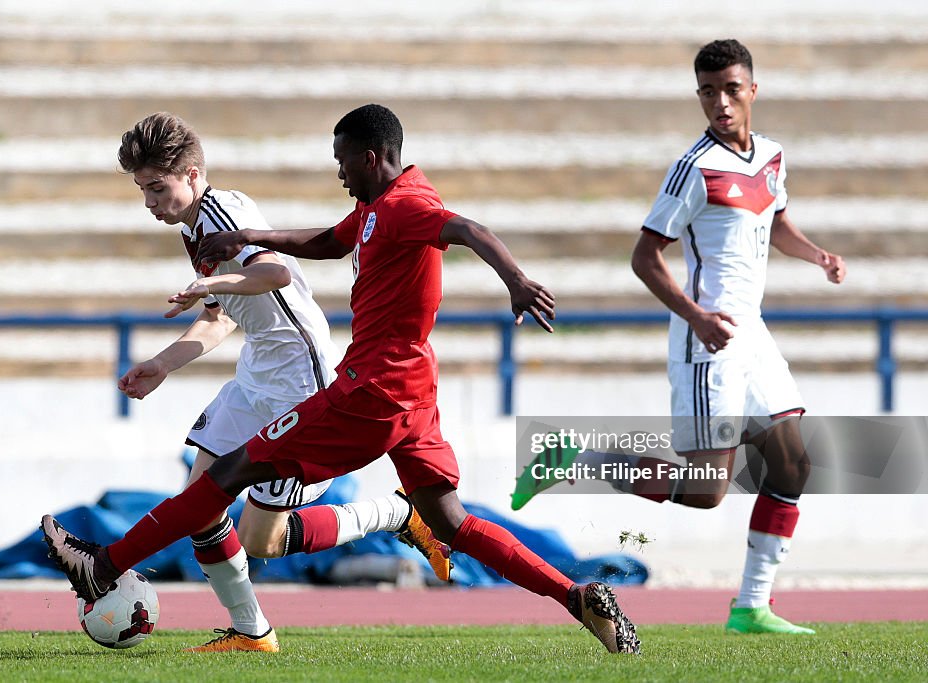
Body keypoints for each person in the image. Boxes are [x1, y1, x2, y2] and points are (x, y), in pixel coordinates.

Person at [43, 104, 640, 655]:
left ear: (371, 157)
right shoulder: (370, 212)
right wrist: (172, 353)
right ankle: (577, 596)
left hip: (354, 388)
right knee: (449, 522)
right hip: (392, 387)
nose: (338, 172)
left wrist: (515, 280)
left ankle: (106, 565)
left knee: (239, 500)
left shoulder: (404, 205)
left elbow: (458, 231)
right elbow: (318, 246)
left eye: (342, 160)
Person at [103, 112, 453, 653]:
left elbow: (275, 273)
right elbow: (221, 315)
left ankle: (399, 512)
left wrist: (211, 280)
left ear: (192, 175)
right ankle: (252, 632)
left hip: (296, 375)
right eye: (141, 189)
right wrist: (163, 365)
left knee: (258, 538)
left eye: (157, 187)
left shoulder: (223, 210)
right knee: (200, 502)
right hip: (256, 374)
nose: (149, 201)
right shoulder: (192, 227)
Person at [626, 39, 844, 635]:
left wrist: (816, 255)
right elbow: (644, 258)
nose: (719, 103)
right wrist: (695, 316)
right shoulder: (693, 167)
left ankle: (751, 607)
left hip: (753, 335)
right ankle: (580, 459)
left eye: (730, 89)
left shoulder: (772, 155)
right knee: (705, 491)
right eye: (707, 91)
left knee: (794, 464)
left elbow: (775, 221)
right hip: (708, 338)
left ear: (753, 89)